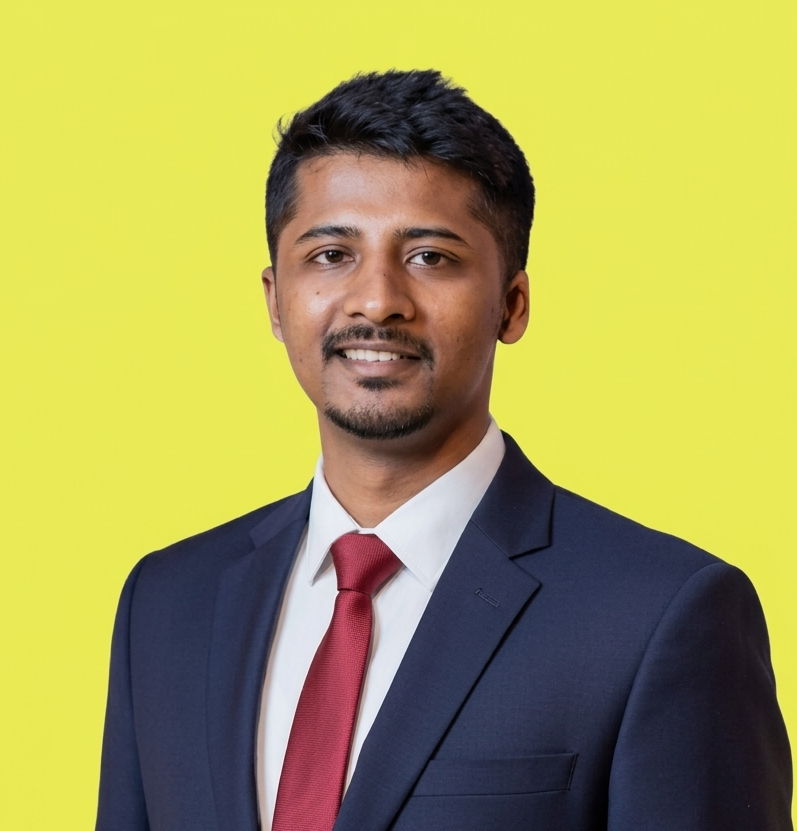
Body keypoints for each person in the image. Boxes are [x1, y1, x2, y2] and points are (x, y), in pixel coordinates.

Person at [95, 70, 793, 831]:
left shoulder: (659, 615)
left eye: (429, 256)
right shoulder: (168, 605)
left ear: (511, 305)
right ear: (274, 300)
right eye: (330, 255)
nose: (376, 299)